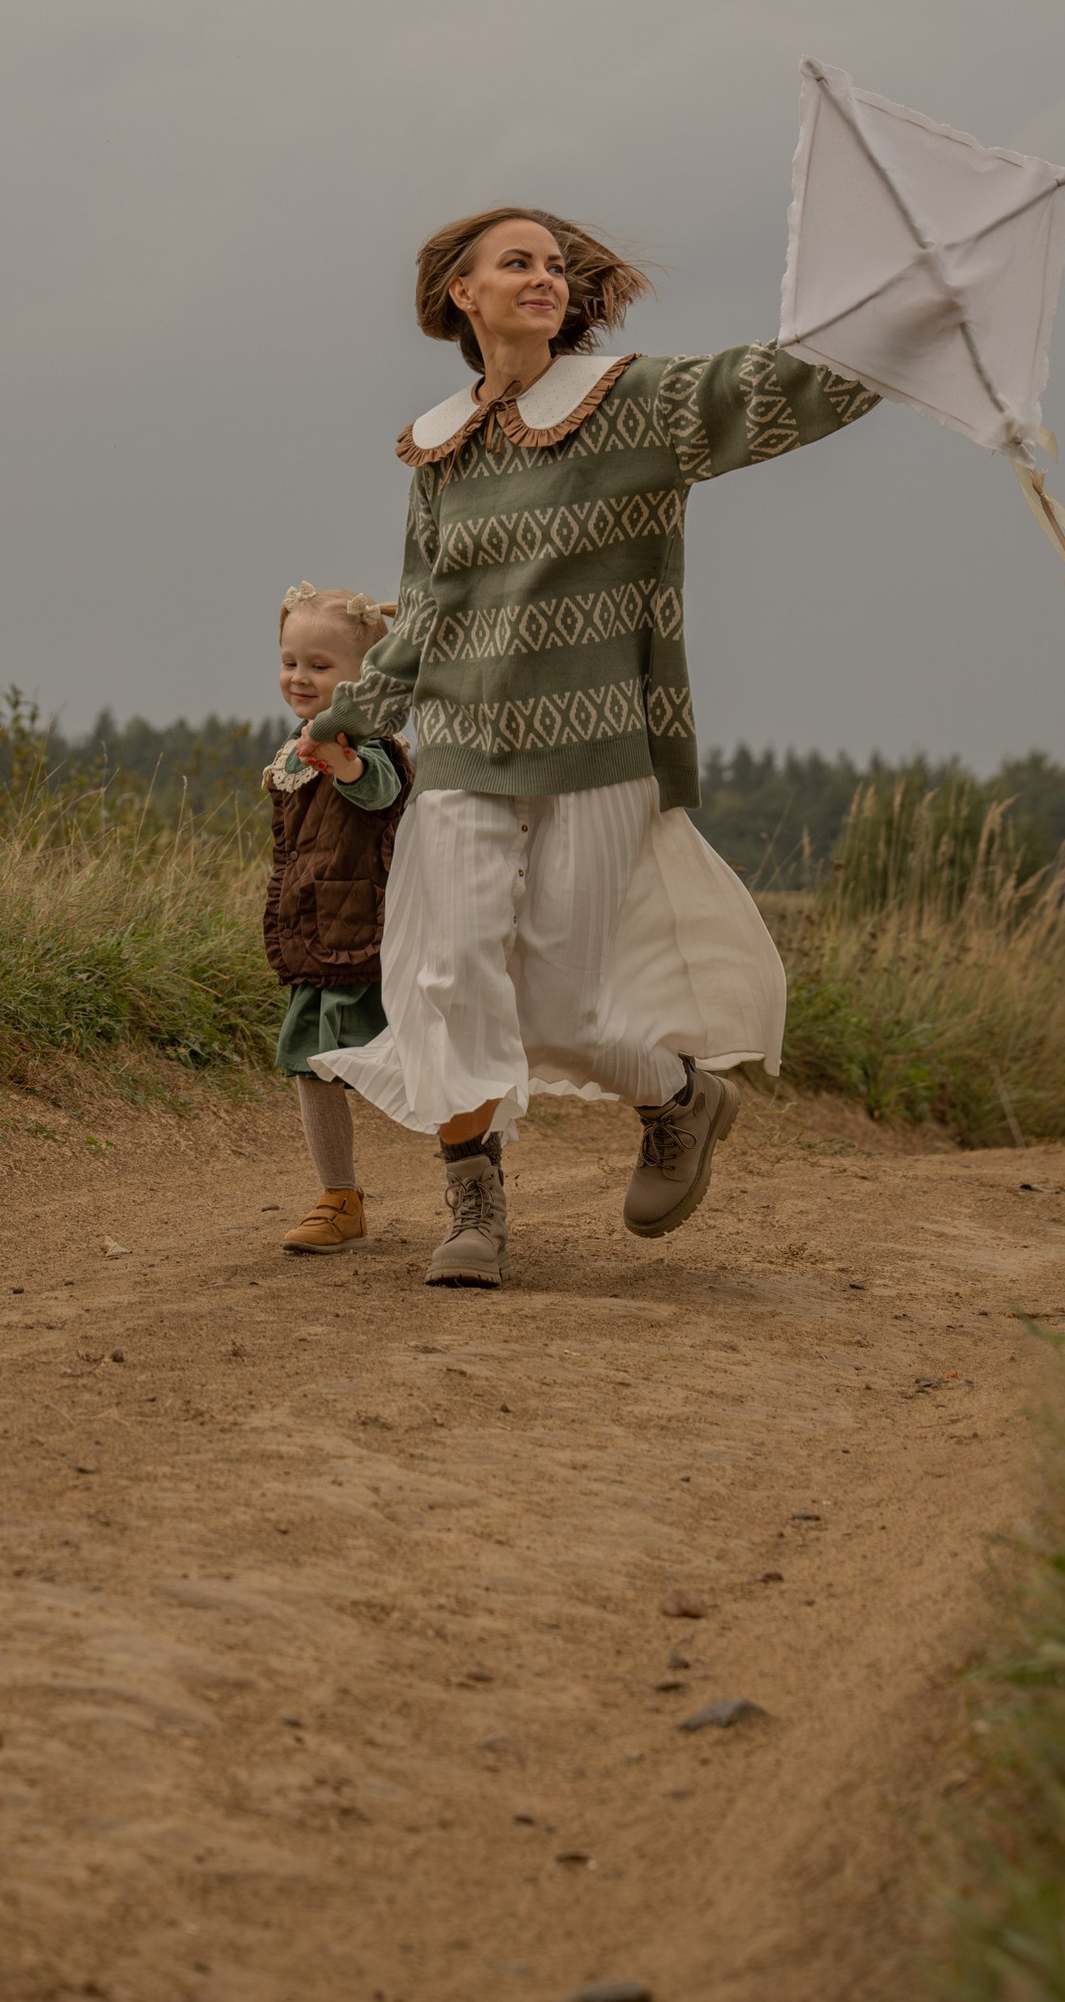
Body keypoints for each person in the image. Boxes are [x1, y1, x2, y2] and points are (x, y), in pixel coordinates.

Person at [299, 207, 875, 1287]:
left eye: (556, 266)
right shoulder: (440, 450)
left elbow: (763, 387)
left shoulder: (629, 405)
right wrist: (354, 714)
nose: (545, 279)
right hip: (464, 747)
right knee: (448, 978)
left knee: (561, 1012)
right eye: (517, 263)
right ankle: (474, 1205)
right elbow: (426, 611)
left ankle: (682, 1098)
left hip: (601, 750)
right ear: (462, 294)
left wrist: (893, 317)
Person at [262, 586, 412, 1254]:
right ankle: (339, 1198)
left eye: (320, 666)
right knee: (311, 1064)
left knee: (428, 1061)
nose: (299, 677)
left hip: (373, 946)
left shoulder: (371, 748)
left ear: (366, 681)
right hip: (318, 939)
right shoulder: (295, 750)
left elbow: (378, 790)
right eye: (290, 661)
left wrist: (342, 760)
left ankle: (473, 1173)